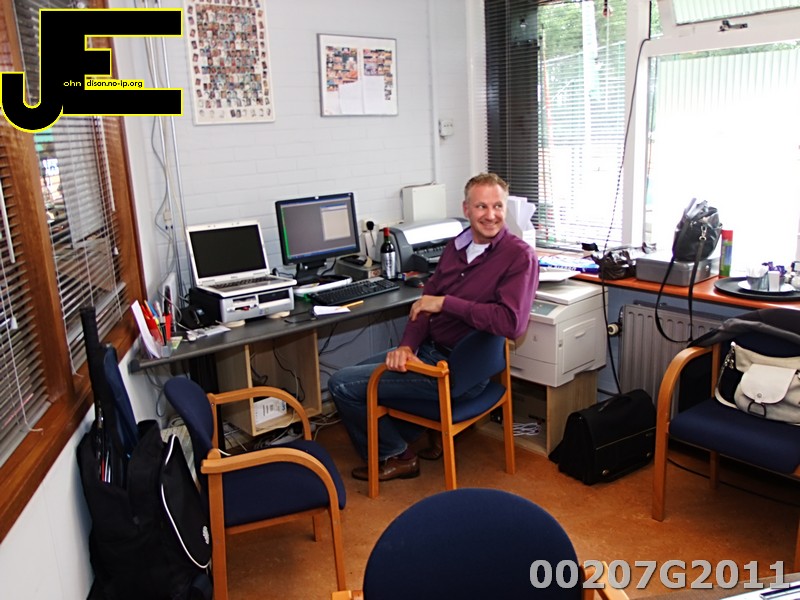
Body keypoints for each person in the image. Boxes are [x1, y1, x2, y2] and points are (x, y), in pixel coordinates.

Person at [328, 173, 539, 481]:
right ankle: (415, 435)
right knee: (359, 373)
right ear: (466, 209)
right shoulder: (457, 246)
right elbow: (425, 303)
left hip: (458, 372)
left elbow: (512, 323)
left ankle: (397, 455)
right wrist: (407, 347)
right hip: (429, 352)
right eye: (481, 206)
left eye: (498, 206)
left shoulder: (518, 257)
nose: (491, 215)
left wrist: (446, 304)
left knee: (341, 384)